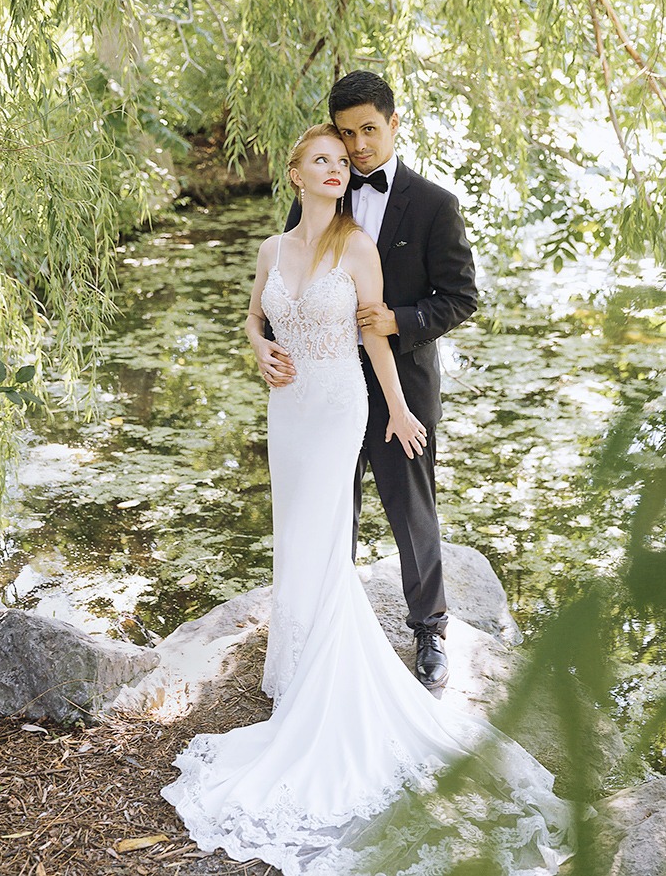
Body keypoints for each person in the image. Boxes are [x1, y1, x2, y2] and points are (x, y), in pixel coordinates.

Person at [162, 125, 574, 876]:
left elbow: (375, 336)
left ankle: (359, 658)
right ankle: (294, 665)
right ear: (293, 174)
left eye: (339, 160)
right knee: (299, 536)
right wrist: (257, 346)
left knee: (327, 533)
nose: (334, 167)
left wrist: (397, 408)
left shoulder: (356, 247)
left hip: (340, 403)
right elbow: (254, 316)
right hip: (287, 412)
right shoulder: (270, 250)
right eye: (320, 159)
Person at [257, 71, 477, 696]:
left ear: (394, 123)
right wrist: (266, 346)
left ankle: (430, 629)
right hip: (316, 387)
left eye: (368, 131)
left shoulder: (434, 204)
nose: (355, 148)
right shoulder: (321, 189)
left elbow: (462, 297)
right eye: (346, 134)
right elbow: (284, 288)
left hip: (394, 381)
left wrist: (399, 320)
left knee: (411, 508)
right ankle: (324, 627)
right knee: (330, 509)